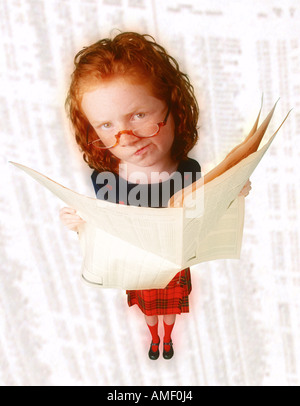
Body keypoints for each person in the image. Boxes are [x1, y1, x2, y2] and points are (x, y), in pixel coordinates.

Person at [60, 32, 251, 360]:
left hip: (174, 262)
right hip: (137, 265)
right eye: (106, 125)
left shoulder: (188, 169)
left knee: (170, 309)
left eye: (139, 115)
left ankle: (168, 336)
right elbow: (104, 227)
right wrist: (80, 224)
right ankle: (155, 337)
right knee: (149, 309)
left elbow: (203, 213)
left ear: (173, 106)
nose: (128, 138)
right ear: (91, 130)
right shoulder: (105, 179)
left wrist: (230, 195)